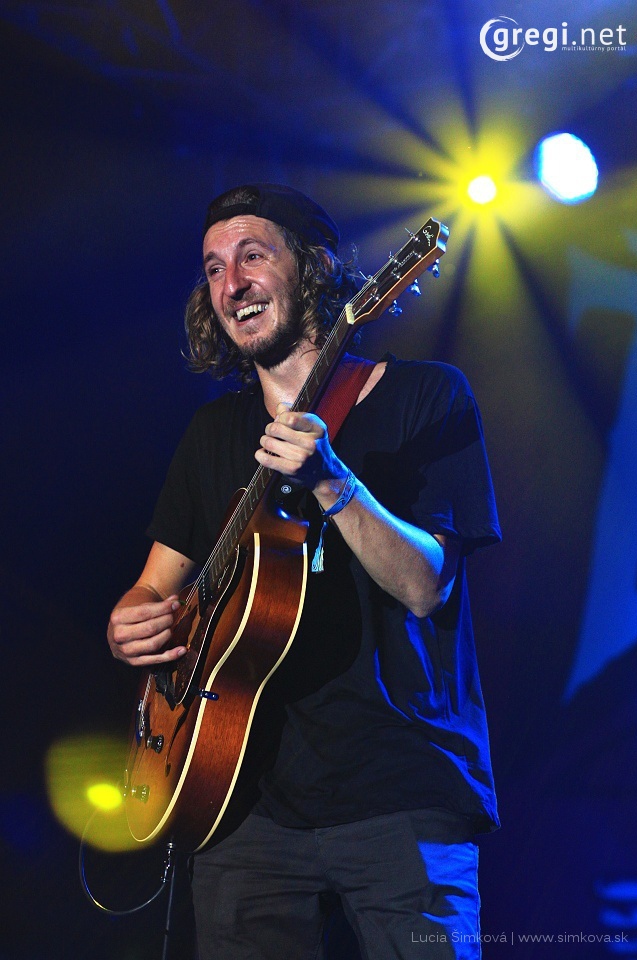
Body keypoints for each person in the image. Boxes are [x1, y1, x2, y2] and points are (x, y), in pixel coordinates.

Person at [107, 183, 502, 960]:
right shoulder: (213, 432)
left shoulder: (426, 395)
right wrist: (132, 622)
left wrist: (334, 482)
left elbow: (426, 586)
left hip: (401, 795)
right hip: (241, 803)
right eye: (213, 268)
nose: (232, 284)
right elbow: (154, 586)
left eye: (252, 256)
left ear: (315, 269)